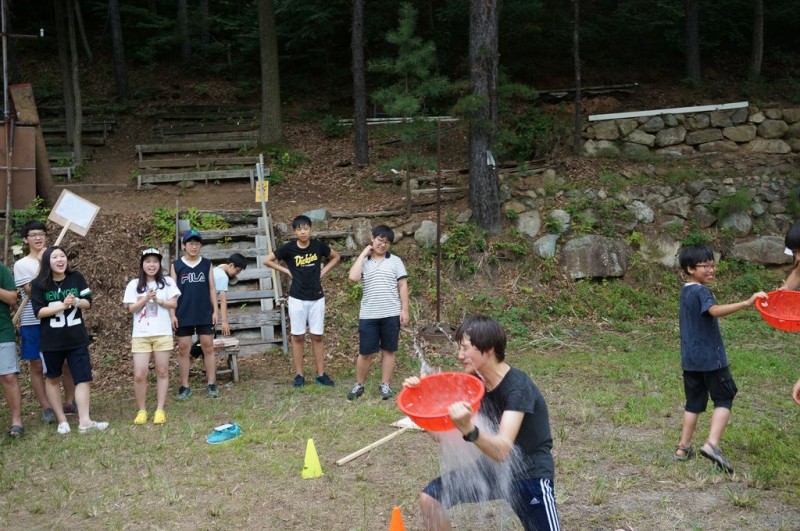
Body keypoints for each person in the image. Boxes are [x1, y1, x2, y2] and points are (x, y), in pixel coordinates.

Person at [403, 315, 560, 531]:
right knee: (431, 500)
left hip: (529, 474)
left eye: (465, 348)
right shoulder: (474, 385)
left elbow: (502, 450)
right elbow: (440, 436)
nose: (460, 356)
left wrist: (469, 428)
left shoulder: (518, 388)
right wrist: (423, 401)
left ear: (488, 349)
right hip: (493, 469)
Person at [674, 245, 767, 472]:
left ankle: (682, 449)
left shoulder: (686, 292)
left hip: (690, 359)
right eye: (705, 266)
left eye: (713, 265)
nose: (711, 269)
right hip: (711, 359)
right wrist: (746, 303)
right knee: (724, 397)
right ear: (690, 269)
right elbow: (714, 311)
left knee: (693, 403)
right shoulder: (702, 292)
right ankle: (712, 445)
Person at [30, 246, 107, 434]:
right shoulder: (38, 283)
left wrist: (76, 302)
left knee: (83, 378)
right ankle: (62, 420)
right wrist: (61, 306)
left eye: (62, 256)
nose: (60, 259)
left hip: (76, 338)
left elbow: (88, 302)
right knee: (52, 378)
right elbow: (39, 312)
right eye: (55, 257)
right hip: (51, 341)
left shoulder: (76, 277)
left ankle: (85, 421)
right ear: (47, 261)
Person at [264, 215, 340, 387]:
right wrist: (286, 271)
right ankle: (299, 374)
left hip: (317, 297)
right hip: (297, 297)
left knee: (317, 336)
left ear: (310, 229)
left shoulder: (318, 246)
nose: (303, 232)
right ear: (295, 231)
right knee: (297, 336)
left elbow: (336, 257)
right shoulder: (289, 248)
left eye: (306, 228)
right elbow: (267, 260)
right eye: (299, 229)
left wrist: (323, 272)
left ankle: (321, 374)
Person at [13, 221, 76, 423]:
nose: (38, 238)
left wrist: (48, 261)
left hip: (57, 319)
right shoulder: (21, 265)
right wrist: (42, 265)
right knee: (37, 365)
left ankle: (69, 401)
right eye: (33, 235)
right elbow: (32, 290)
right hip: (32, 320)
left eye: (41, 234)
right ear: (26, 239)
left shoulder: (55, 258)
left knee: (65, 362)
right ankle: (46, 407)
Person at [346, 224, 408, 400]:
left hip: (391, 313)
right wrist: (363, 254)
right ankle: (359, 384)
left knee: (389, 350)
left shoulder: (395, 261)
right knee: (365, 352)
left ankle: (385, 385)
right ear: (372, 239)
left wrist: (404, 309)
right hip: (369, 314)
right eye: (380, 240)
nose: (383, 244)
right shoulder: (364, 262)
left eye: (387, 242)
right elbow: (353, 277)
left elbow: (402, 285)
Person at [123, 248, 181, 425]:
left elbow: (174, 303)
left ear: (159, 264)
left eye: (155, 261)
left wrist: (158, 300)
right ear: (142, 264)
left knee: (162, 371)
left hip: (162, 333)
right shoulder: (134, 284)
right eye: (148, 261)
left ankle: (160, 409)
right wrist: (145, 298)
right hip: (141, 335)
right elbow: (131, 308)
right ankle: (142, 410)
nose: (151, 265)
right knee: (139, 374)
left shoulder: (167, 282)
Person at [170, 229, 218, 399]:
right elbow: (172, 292)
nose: (194, 246)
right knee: (184, 349)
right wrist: (172, 314)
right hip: (184, 312)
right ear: (184, 246)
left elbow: (212, 288)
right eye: (190, 243)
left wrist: (215, 310)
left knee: (208, 347)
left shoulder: (206, 264)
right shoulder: (176, 265)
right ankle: (184, 385)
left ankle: (211, 383)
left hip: (204, 311)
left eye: (197, 243)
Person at [0, 260, 23, 437]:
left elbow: (12, 298)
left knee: (8, 376)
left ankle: (16, 421)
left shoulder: (1, 270)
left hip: (2, 331)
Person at [213, 253, 247, 336]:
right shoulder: (223, 277)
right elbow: (223, 300)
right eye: (237, 271)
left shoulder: (219, 268)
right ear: (231, 265)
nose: (237, 274)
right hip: (204, 308)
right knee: (208, 337)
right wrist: (224, 322)